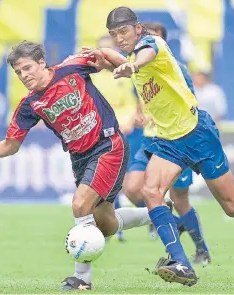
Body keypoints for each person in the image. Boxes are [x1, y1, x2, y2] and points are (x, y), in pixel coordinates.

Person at [84, 7, 234, 287]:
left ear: (138, 28)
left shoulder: (152, 45)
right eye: (114, 35)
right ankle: (181, 262)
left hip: (198, 134)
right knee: (151, 191)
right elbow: (120, 60)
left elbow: (143, 56)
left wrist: (131, 65)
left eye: (123, 32)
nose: (119, 38)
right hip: (170, 141)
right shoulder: (130, 56)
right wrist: (100, 59)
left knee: (233, 206)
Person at [0, 41, 156, 291]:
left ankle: (82, 279)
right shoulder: (30, 104)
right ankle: (160, 216)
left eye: (27, 68)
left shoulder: (72, 67)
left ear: (42, 62)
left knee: (80, 204)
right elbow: (10, 145)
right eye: (18, 72)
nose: (24, 75)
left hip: (108, 145)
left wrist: (112, 62)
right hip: (79, 158)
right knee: (106, 224)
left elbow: (112, 63)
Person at [123, 22, 211, 264]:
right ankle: (163, 218)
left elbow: (189, 101)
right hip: (151, 140)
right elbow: (143, 97)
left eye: (155, 38)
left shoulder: (176, 69)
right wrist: (139, 113)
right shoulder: (138, 70)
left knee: (181, 199)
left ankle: (201, 248)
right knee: (131, 188)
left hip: (175, 140)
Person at [91, 35, 137, 242]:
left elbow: (131, 101)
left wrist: (127, 120)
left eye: (109, 50)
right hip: (98, 131)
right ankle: (109, 225)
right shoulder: (91, 75)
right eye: (102, 49)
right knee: (105, 181)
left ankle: (114, 225)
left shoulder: (123, 74)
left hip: (121, 129)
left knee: (123, 182)